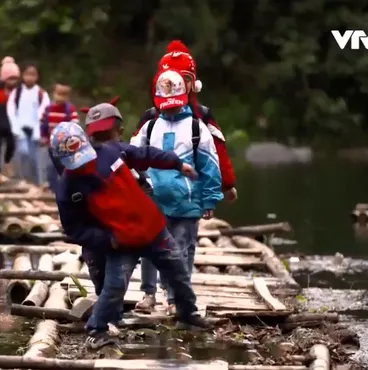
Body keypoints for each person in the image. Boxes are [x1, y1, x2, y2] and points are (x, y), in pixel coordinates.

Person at [50, 121, 210, 350]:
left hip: (153, 229)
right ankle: (97, 330)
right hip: (121, 241)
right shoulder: (67, 189)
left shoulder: (112, 152)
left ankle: (188, 313)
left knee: (177, 271)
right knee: (114, 286)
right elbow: (74, 229)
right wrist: (107, 240)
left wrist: (176, 163)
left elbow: (145, 154)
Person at [130, 69, 224, 314]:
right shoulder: (150, 127)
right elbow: (131, 156)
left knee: (182, 250)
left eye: (174, 105)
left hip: (187, 201)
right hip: (154, 200)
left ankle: (174, 298)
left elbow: (209, 164)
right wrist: (136, 184)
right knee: (150, 248)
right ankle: (148, 293)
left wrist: (210, 199)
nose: (169, 110)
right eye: (165, 105)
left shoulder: (196, 127)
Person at [135, 40, 238, 202]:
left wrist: (226, 184)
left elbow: (217, 151)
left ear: (194, 83)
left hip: (192, 193)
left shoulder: (202, 116)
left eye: (185, 79)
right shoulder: (150, 119)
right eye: (171, 82)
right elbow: (134, 154)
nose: (179, 84)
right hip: (155, 191)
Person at [7, 63, 50, 185]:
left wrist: (40, 131)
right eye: (27, 74)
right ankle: (23, 181)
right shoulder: (17, 92)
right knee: (22, 153)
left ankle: (37, 183)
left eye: (33, 75)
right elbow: (11, 110)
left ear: (37, 77)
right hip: (21, 129)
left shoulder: (41, 94)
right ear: (23, 75)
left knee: (35, 158)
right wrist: (15, 128)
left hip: (35, 130)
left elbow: (43, 112)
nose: (30, 77)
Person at [40, 83, 78, 192]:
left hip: (64, 145)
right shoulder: (48, 109)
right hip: (51, 143)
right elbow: (43, 124)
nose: (60, 97)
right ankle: (53, 188)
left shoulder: (69, 110)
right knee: (50, 167)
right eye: (58, 94)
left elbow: (74, 124)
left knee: (62, 167)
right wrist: (43, 136)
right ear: (53, 94)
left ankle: (63, 188)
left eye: (64, 95)